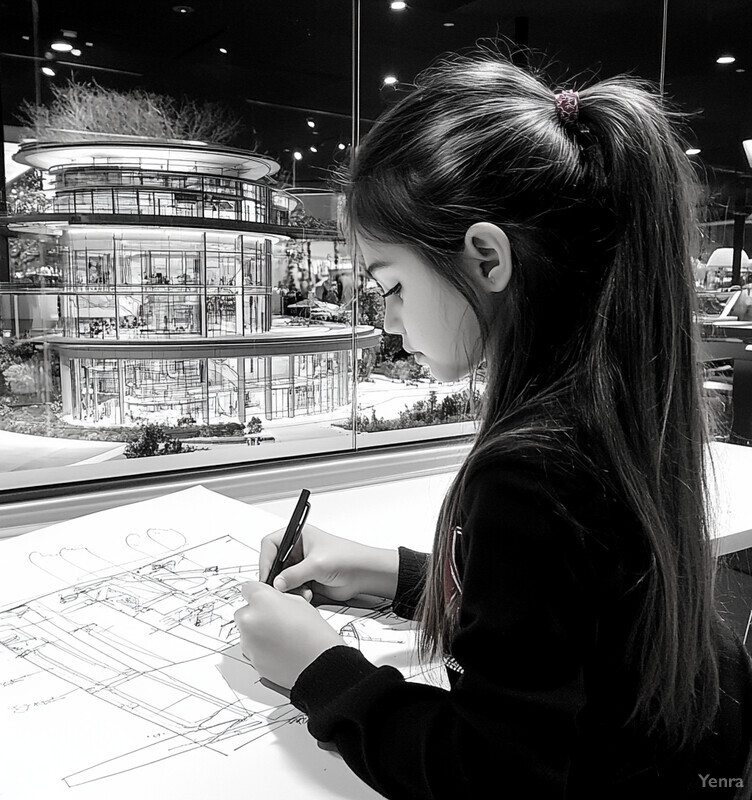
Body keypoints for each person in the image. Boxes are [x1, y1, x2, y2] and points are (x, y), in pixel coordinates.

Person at [234, 48, 752, 799]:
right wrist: (394, 572)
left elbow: (494, 775)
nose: (388, 319)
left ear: (485, 257)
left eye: (394, 285)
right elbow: (565, 623)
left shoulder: (530, 471)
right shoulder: (613, 410)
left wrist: (320, 671)